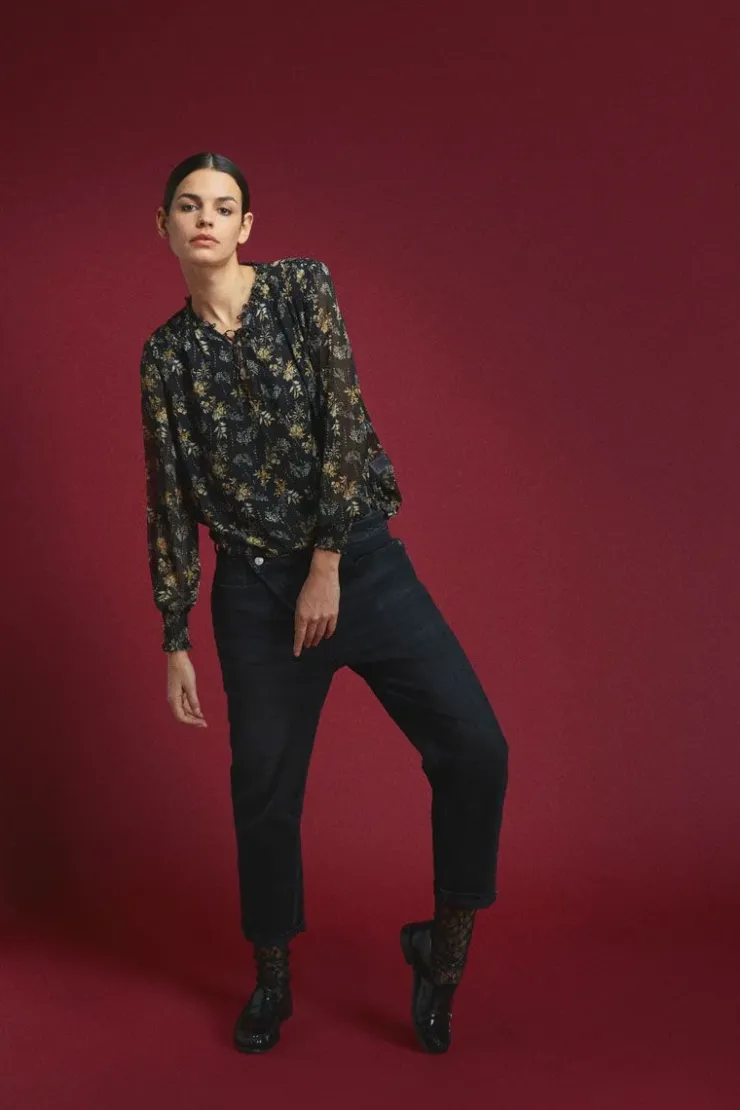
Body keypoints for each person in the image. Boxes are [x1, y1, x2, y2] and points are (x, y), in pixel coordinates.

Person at [139, 151, 509, 1055]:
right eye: (188, 205)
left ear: (246, 227)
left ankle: (442, 954)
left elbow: (344, 418)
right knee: (264, 795)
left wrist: (331, 560)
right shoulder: (164, 356)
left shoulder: (303, 289)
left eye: (223, 206)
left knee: (475, 747)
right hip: (254, 593)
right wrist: (175, 632)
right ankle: (271, 982)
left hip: (361, 567)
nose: (204, 219)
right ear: (165, 227)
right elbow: (169, 492)